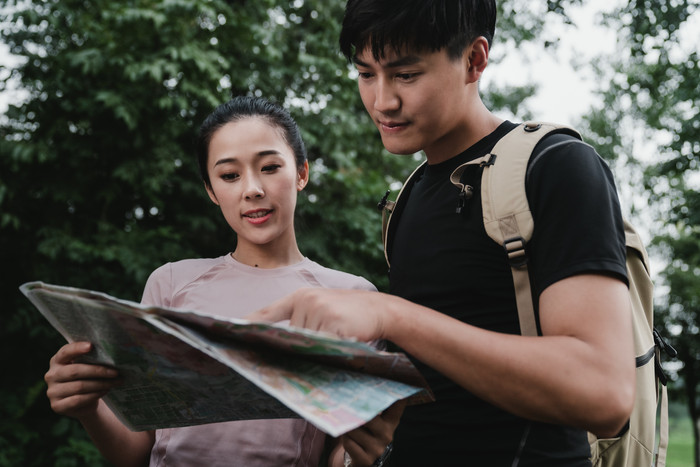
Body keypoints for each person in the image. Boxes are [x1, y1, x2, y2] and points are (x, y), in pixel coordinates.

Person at [247, 1, 636, 465]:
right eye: (366, 73)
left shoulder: (556, 167)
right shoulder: (409, 196)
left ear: (474, 60)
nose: (382, 101)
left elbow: (603, 395)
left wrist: (390, 314)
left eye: (405, 75)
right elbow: (441, 382)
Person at [44, 95, 403, 467]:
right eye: (230, 175)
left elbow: (344, 453)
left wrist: (366, 454)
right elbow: (138, 452)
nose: (252, 189)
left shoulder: (352, 296)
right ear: (212, 191)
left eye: (269, 167)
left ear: (301, 173)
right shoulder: (170, 284)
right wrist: (87, 408)